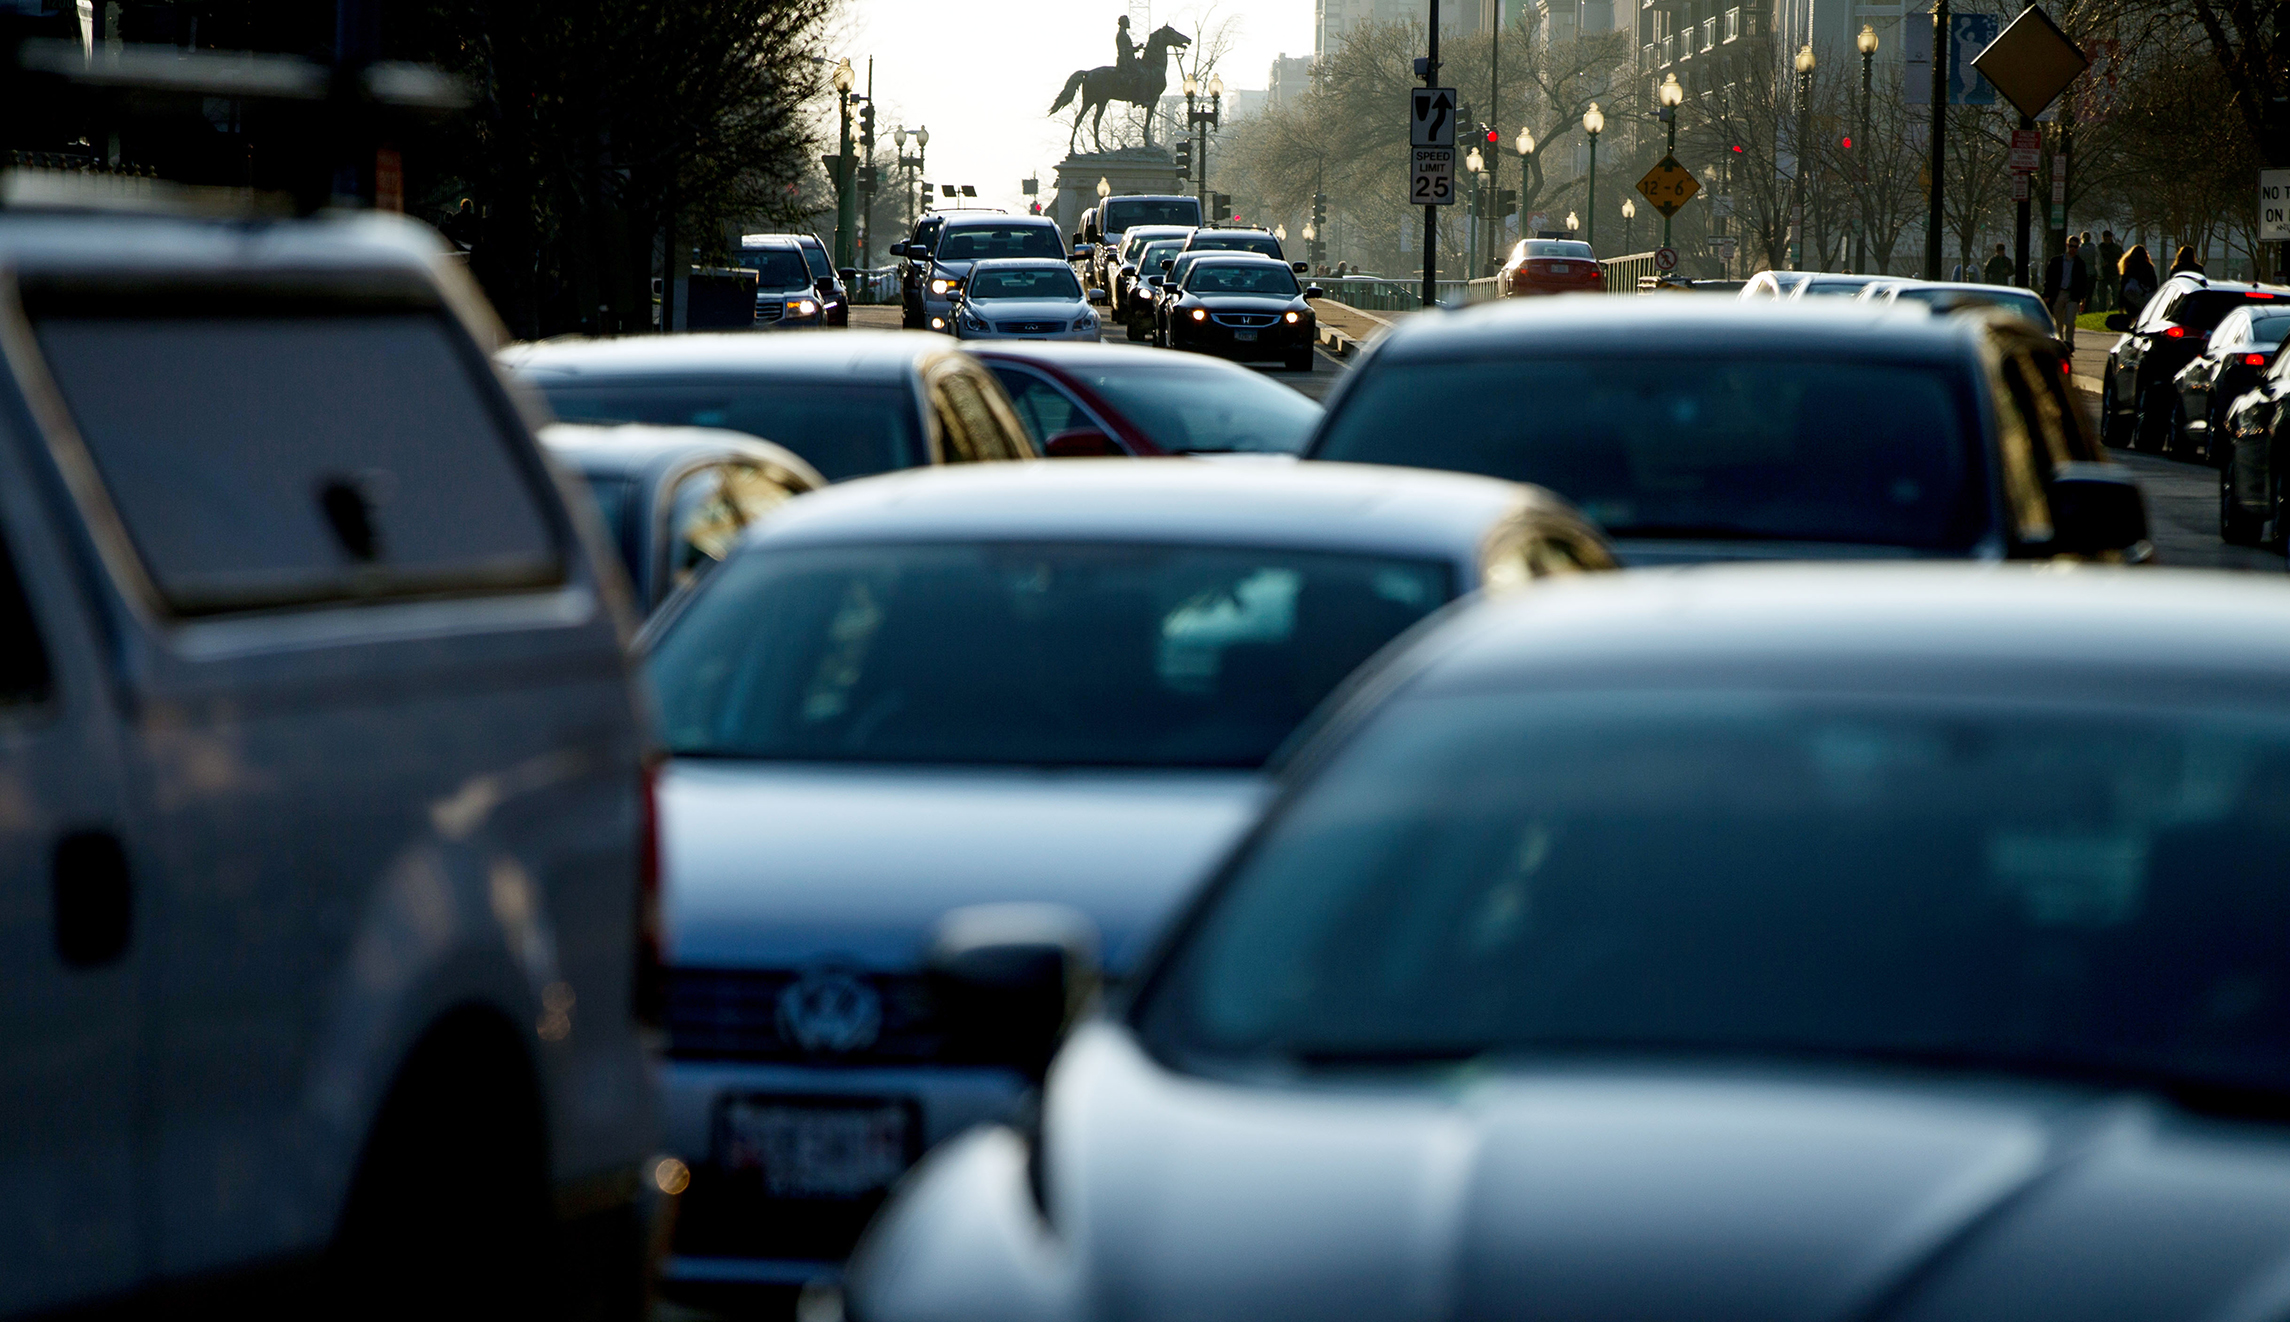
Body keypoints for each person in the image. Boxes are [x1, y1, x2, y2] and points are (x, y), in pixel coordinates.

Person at [2043, 236, 2092, 351]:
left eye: (2075, 247)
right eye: (2071, 246)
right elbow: (2049, 279)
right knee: (2058, 322)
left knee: (2070, 321)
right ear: (2067, 246)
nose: (2073, 249)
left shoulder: (2080, 263)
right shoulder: (2056, 261)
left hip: (2072, 295)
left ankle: (2069, 343)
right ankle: (2060, 343)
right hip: (2058, 293)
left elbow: (2083, 282)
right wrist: (2047, 295)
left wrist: (2082, 298)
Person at [2119, 244, 2159, 316]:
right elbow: (2154, 284)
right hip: (2146, 298)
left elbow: (2123, 285)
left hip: (2131, 299)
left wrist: (2120, 305)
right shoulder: (2149, 267)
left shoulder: (2129, 267)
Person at [2096, 230, 2123, 310]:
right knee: (2102, 298)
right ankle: (2103, 310)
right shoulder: (2099, 248)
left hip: (2114, 274)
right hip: (2102, 275)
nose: (2107, 240)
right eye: (2105, 239)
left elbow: (2122, 259)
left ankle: (2113, 309)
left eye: (2108, 238)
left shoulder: (2116, 248)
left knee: (2116, 296)